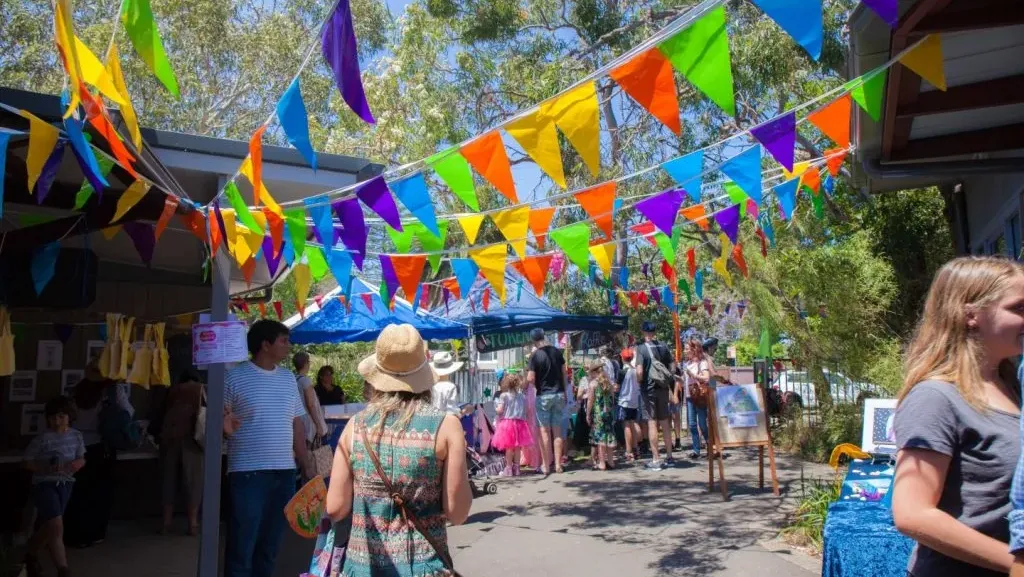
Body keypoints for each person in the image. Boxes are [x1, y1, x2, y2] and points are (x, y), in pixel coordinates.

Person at [892, 257, 1023, 577]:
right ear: (970, 315)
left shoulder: (1013, 385)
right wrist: (1015, 564)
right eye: (1018, 308)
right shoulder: (935, 398)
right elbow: (912, 513)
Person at [325, 323, 472, 576]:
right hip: (423, 566)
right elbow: (457, 513)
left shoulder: (354, 427)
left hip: (363, 568)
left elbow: (336, 508)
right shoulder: (447, 427)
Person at [223, 320, 313, 577]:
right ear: (265, 344)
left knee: (270, 545)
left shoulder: (287, 379)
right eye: (284, 341)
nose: (288, 346)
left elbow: (297, 424)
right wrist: (223, 428)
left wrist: (304, 462)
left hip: (284, 474)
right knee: (242, 544)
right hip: (247, 473)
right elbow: (221, 421)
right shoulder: (234, 377)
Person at [64, 364, 131, 548]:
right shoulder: (111, 392)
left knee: (76, 492)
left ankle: (72, 533)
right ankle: (94, 533)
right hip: (101, 447)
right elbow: (128, 412)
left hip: (74, 446)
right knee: (99, 492)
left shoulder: (74, 391)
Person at [22, 397, 85, 577]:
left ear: (69, 417)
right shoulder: (42, 439)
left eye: (61, 417)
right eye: (52, 418)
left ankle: (30, 553)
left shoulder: (76, 436)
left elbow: (81, 457)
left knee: (51, 526)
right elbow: (27, 462)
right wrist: (44, 467)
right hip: (45, 483)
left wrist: (77, 464)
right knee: (57, 526)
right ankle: (63, 569)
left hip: (66, 484)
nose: (56, 421)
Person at [158, 369, 205, 535]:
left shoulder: (172, 390)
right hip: (192, 439)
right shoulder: (202, 388)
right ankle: (192, 524)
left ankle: (166, 523)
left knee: (168, 481)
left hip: (169, 439)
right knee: (193, 482)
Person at [527, 328, 569, 475]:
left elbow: (530, 378)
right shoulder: (557, 352)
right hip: (558, 394)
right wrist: (564, 391)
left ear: (534, 340)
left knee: (544, 431)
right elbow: (564, 372)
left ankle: (546, 465)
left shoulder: (535, 356)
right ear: (544, 336)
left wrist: (536, 382)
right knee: (557, 430)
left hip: (543, 395)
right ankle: (558, 465)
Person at [635, 320, 676, 470]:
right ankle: (670, 457)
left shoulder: (641, 349)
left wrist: (639, 381)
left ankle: (656, 459)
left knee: (652, 423)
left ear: (643, 332)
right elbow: (673, 366)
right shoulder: (664, 346)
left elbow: (639, 371)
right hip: (663, 388)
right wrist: (667, 378)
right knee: (665, 422)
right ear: (654, 332)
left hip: (649, 389)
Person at [492, 373, 535, 477]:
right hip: (520, 423)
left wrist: (496, 409)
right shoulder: (522, 397)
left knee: (509, 448)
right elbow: (526, 409)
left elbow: (500, 410)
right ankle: (517, 469)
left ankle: (509, 469)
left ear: (506, 383)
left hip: (508, 424)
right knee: (517, 448)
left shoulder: (504, 396)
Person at [681, 339, 711, 459]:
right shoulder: (687, 364)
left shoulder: (702, 362)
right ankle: (696, 450)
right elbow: (686, 381)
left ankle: (710, 447)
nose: (685, 351)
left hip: (699, 396)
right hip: (689, 396)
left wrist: (693, 375)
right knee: (692, 425)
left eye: (687, 349)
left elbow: (707, 378)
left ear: (694, 349)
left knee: (702, 424)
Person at [587, 362, 617, 470]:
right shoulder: (608, 383)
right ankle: (611, 461)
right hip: (609, 413)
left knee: (600, 437)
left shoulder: (593, 384)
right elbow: (613, 399)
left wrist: (587, 414)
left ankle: (602, 463)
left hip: (598, 414)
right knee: (608, 436)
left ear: (594, 372)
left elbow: (590, 401)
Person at [294, 353, 328, 447]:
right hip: (310, 422)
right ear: (306, 363)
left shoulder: (293, 379)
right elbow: (310, 404)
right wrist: (318, 425)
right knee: (314, 453)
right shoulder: (305, 381)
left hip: (300, 420)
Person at [617, 348, 642, 464]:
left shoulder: (622, 372)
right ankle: (636, 449)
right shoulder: (635, 371)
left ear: (622, 358)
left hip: (624, 401)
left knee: (626, 426)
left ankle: (628, 451)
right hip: (634, 401)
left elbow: (617, 387)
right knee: (632, 424)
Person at [430, 351, 464, 415]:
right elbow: (451, 411)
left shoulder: (429, 385)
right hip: (444, 422)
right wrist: (462, 412)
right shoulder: (450, 387)